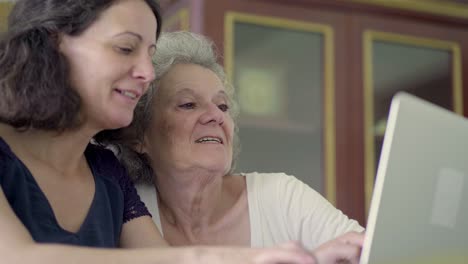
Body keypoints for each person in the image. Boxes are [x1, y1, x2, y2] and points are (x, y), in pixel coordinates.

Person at [0, 1, 329, 263]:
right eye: (126, 48)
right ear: (52, 43)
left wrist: (311, 259)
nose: (145, 73)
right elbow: (17, 257)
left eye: (150, 55)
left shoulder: (107, 172)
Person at [101, 31, 365, 264]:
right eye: (188, 104)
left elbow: (375, 252)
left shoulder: (281, 196)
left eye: (222, 105)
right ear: (139, 134)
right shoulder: (123, 207)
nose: (215, 115)